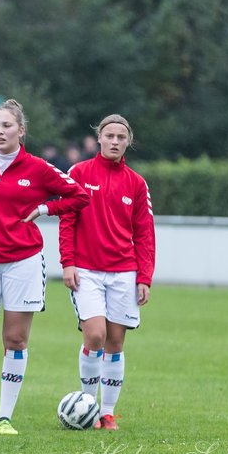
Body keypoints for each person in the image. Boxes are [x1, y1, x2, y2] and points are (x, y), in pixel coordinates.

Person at [0, 98, 90, 434]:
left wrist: (46, 210)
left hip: (23, 263)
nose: (0, 131)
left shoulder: (38, 168)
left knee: (15, 340)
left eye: (7, 126)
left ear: (21, 130)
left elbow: (80, 196)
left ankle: (4, 418)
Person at [59, 114, 155, 431]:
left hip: (123, 273)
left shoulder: (137, 184)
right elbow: (67, 220)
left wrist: (144, 277)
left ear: (128, 141)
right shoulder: (79, 173)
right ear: (99, 138)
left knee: (115, 343)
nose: (114, 141)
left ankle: (107, 412)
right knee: (95, 335)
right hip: (85, 269)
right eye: (109, 136)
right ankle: (87, 406)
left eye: (121, 137)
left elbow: (144, 234)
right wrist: (68, 262)